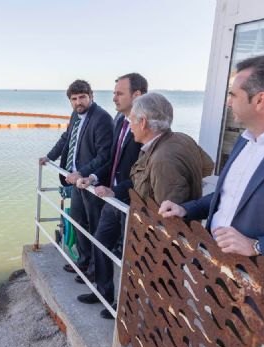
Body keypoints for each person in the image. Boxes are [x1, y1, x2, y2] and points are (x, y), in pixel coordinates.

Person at [159, 53, 264, 289]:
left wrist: (257, 246)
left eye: (232, 94)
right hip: (215, 277)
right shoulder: (244, 140)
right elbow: (230, 196)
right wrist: (185, 209)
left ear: (260, 100)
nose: (227, 102)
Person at [78, 92, 214, 318]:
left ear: (143, 122)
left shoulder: (163, 158)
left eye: (131, 120)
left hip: (158, 243)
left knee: (159, 290)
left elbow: (166, 215)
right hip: (151, 225)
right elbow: (207, 166)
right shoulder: (180, 139)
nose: (129, 125)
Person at [74, 73, 146, 310]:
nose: (114, 97)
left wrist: (118, 191)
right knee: (101, 242)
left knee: (130, 258)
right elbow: (111, 158)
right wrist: (92, 177)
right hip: (111, 196)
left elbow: (143, 174)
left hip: (132, 201)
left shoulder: (147, 126)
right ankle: (104, 294)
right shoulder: (119, 119)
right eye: (114, 93)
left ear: (137, 95)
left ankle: (126, 307)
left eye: (119, 93)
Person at [39, 80, 113, 276]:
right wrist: (49, 156)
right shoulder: (76, 115)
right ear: (70, 101)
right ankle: (83, 261)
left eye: (82, 97)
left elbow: (105, 155)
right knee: (78, 221)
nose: (78, 102)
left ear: (91, 96)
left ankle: (96, 271)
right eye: (74, 99)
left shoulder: (102, 118)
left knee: (95, 227)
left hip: (92, 182)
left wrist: (82, 172)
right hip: (77, 183)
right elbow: (66, 138)